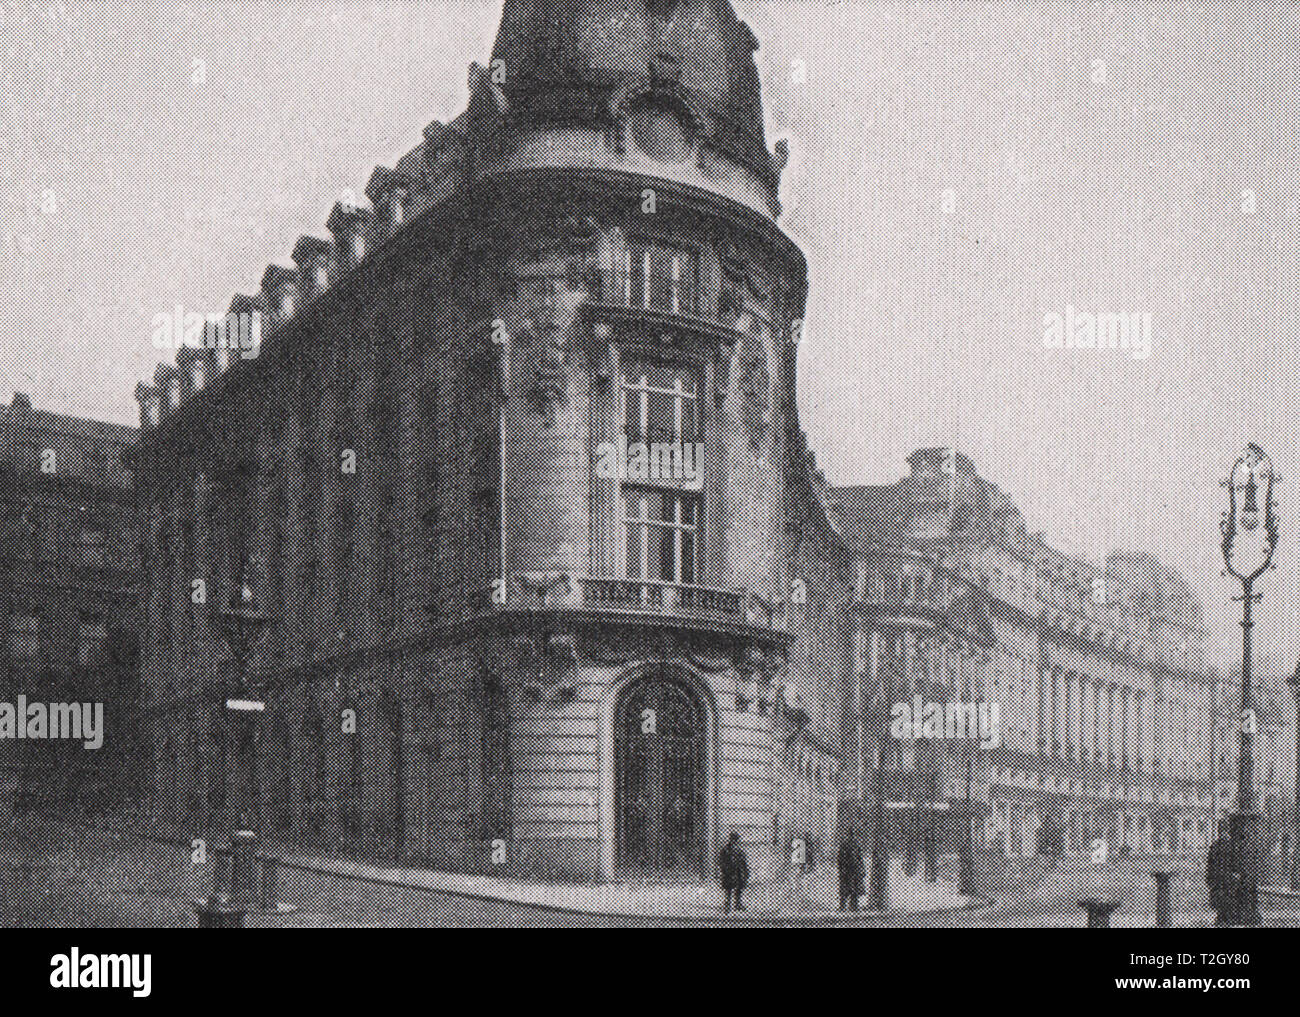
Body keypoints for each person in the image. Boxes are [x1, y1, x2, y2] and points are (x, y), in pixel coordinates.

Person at [1206, 834, 1235, 926]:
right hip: (1226, 877)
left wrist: (1209, 878)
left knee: (1221, 898)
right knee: (1226, 898)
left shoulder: (1215, 846)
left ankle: (1222, 918)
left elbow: (1210, 864)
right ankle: (1224, 918)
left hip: (1219, 877)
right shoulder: (1231, 845)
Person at [718, 830, 750, 913]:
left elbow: (743, 861)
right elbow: (721, 861)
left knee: (739, 888)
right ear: (731, 839)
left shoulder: (739, 850)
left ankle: (738, 904)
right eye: (734, 840)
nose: (735, 842)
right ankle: (727, 905)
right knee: (728, 889)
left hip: (738, 871)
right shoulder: (725, 850)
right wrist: (725, 869)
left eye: (736, 840)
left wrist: (746, 872)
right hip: (729, 871)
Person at [838, 827, 866, 911]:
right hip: (851, 869)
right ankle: (849, 906)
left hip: (850, 869)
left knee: (849, 888)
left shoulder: (847, 844)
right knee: (850, 888)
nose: (852, 836)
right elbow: (859, 858)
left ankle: (848, 906)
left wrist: (841, 868)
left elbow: (840, 858)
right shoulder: (854, 844)